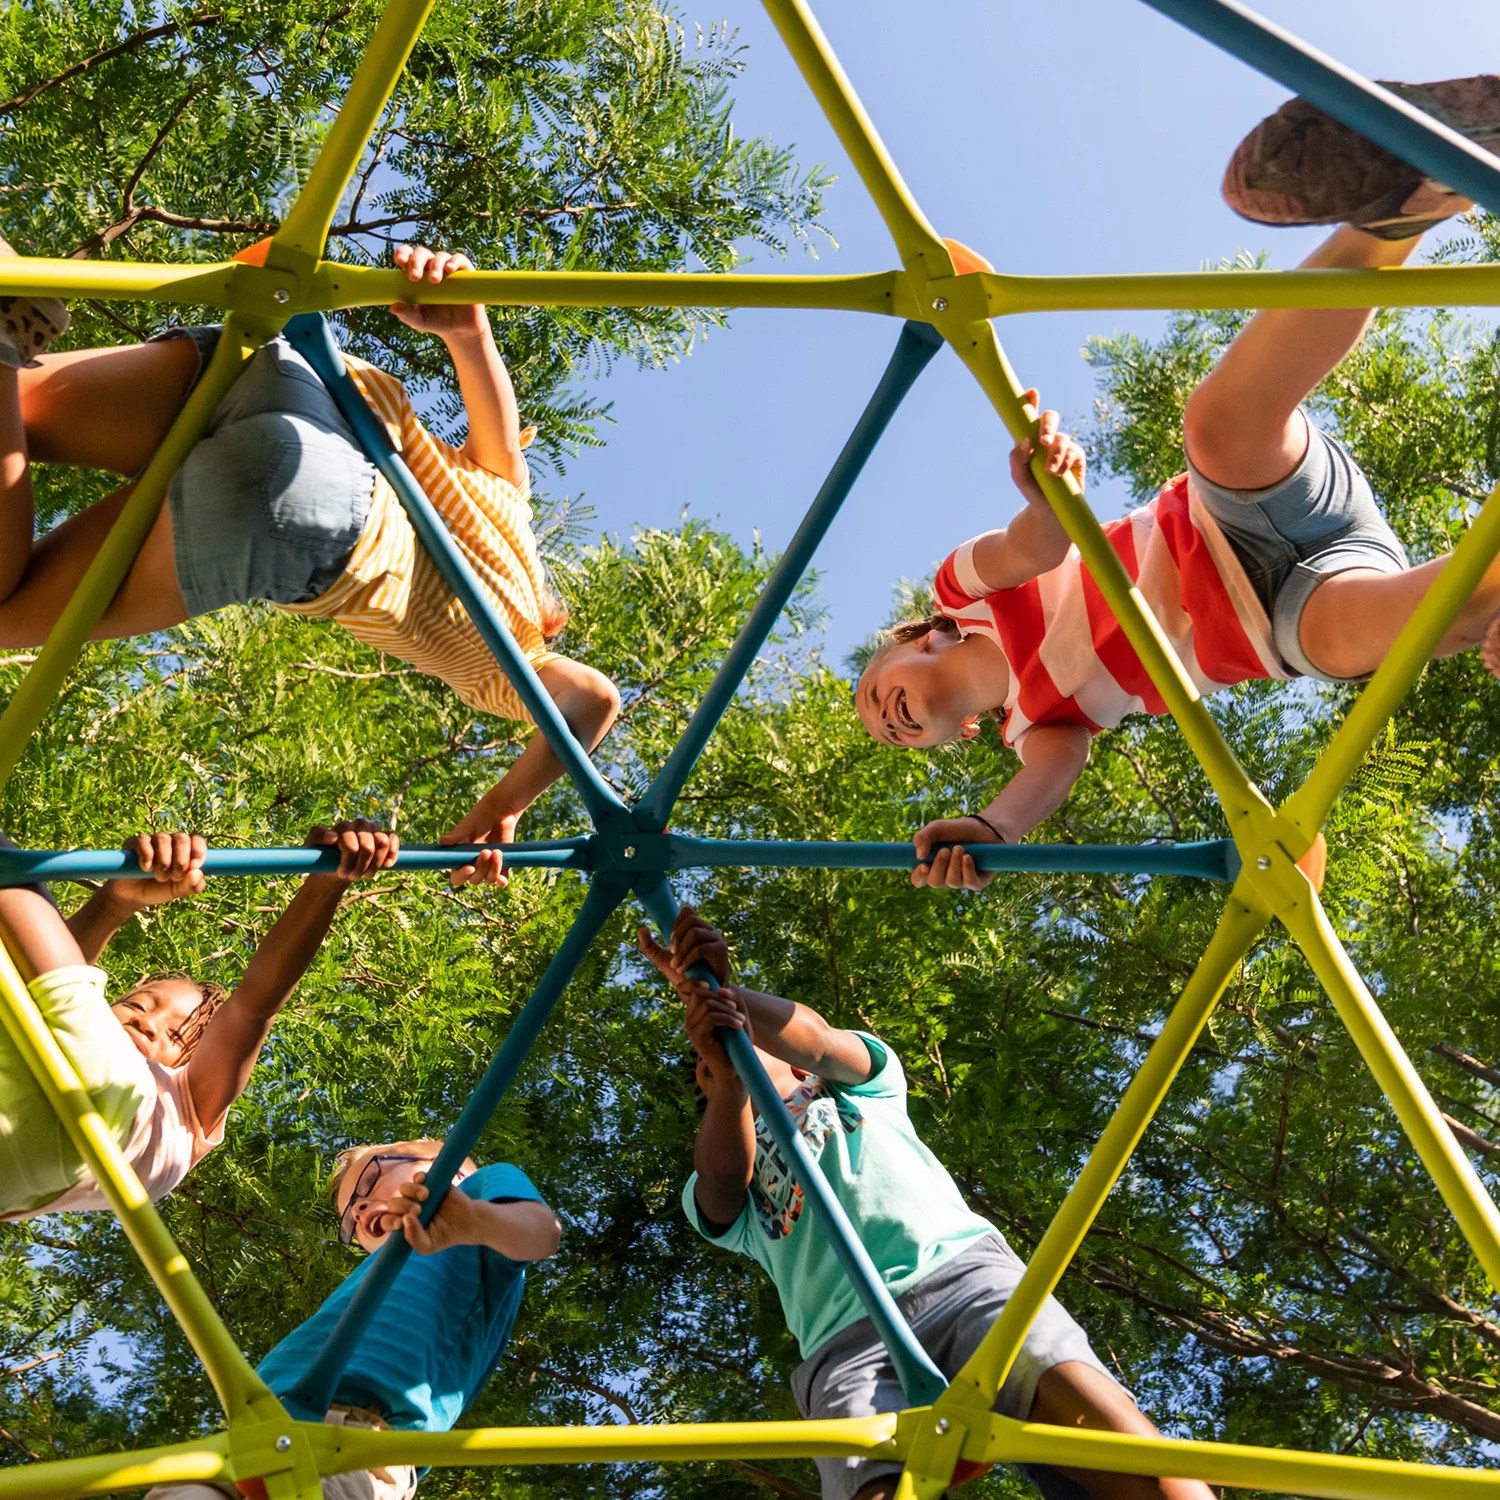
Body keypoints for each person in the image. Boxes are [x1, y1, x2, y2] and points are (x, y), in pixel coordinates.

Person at [855, 75, 1500, 890]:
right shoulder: (1035, 723)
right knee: (1372, 641)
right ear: (962, 734)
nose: (887, 718)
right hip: (1271, 623)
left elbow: (1035, 546)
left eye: (876, 694)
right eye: (891, 735)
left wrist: (1046, 494)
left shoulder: (963, 592)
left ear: (920, 639)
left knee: (1218, 428)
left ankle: (1401, 209)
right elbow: (1041, 785)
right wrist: (991, 829)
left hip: (1222, 518)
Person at [0, 241, 620, 887]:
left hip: (309, 378)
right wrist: (502, 806)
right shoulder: (512, 662)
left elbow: (492, 400)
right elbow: (593, 700)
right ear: (549, 623)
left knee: (14, 401)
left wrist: (469, 328)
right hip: (317, 516)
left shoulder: (508, 500)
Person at [638, 907, 1214, 1500]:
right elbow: (720, 1179)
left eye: (745, 1040)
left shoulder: (865, 1088)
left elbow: (820, 1039)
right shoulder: (736, 1162)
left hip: (965, 1277)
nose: (727, 1051)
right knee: (869, 1484)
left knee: (1102, 1429)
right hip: (845, 1342)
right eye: (706, 1064)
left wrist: (719, 991)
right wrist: (729, 1085)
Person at [0, 820, 398, 1219]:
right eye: (136, 1006)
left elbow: (253, 1007)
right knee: (19, 995)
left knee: (14, 880)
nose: (147, 1023)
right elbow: (43, 993)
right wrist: (118, 900)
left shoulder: (186, 1104)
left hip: (114, 1112)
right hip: (15, 1179)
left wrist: (323, 887)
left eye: (176, 1034)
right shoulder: (85, 1033)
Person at [145, 1136, 561, 1500]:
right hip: (250, 1430)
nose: (359, 1212)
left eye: (369, 1182)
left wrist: (473, 1219)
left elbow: (540, 1232)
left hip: (362, 1443)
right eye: (349, 1218)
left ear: (442, 1165)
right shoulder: (367, 1281)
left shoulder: (476, 1200)